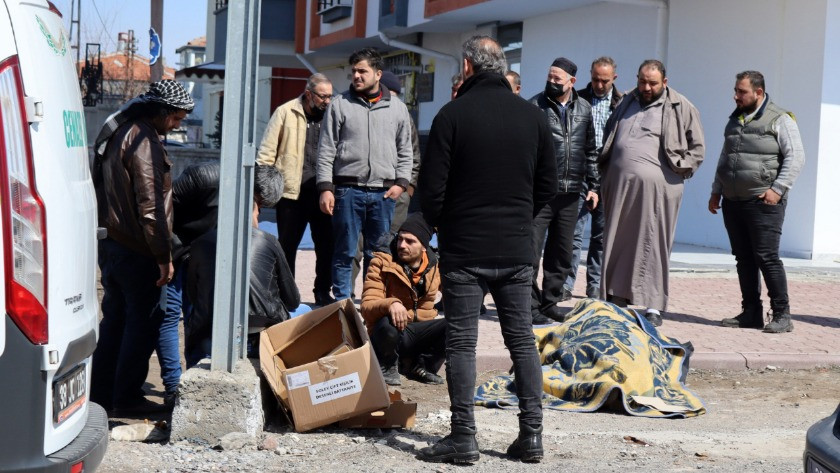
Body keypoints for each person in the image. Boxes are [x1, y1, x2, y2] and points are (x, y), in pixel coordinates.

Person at [418, 35, 557, 464]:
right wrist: (519, 220)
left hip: (465, 246)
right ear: (501, 66)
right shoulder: (532, 116)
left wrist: (448, 224)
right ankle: (531, 436)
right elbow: (548, 186)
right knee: (522, 341)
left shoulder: (451, 115)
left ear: (467, 67)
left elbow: (431, 191)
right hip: (516, 247)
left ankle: (464, 437)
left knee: (461, 344)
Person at [90, 80, 193, 415]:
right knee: (143, 323)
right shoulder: (144, 139)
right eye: (177, 117)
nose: (179, 124)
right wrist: (164, 257)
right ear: (162, 112)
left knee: (115, 322)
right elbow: (151, 209)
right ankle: (127, 398)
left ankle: (101, 395)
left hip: (114, 245)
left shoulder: (121, 130)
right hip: (137, 250)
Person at [598, 59, 705, 327]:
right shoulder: (626, 101)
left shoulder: (681, 106)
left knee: (652, 244)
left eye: (652, 83)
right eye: (642, 81)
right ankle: (618, 297)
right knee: (618, 240)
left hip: (660, 191)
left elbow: (698, 148)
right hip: (620, 187)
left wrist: (680, 169)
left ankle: (653, 305)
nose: (646, 87)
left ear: (664, 82)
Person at [709, 71, 804, 333]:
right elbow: (725, 157)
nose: (736, 96)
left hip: (763, 201)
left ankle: (782, 314)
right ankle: (751, 312)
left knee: (767, 257)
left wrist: (778, 189)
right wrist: (716, 190)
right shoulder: (734, 119)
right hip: (733, 200)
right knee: (743, 258)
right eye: (736, 90)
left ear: (758, 93)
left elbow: (796, 157)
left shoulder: (780, 119)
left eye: (741, 92)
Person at [317, 48, 414, 301]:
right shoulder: (340, 105)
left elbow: (406, 149)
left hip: (384, 193)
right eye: (354, 72)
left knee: (378, 253)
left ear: (378, 74)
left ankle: (372, 302)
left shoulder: (397, 108)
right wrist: (325, 188)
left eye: (363, 71)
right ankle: (342, 304)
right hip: (348, 191)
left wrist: (401, 184)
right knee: (345, 251)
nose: (357, 76)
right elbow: (326, 149)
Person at [184, 165, 304, 367]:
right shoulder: (269, 241)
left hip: (209, 327)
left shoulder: (199, 244)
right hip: (262, 324)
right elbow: (292, 300)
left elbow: (193, 295)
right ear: (254, 208)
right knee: (305, 311)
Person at [529, 57, 598, 324]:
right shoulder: (535, 106)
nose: (552, 82)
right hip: (542, 194)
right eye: (550, 77)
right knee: (531, 252)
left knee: (561, 254)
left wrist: (593, 187)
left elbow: (590, 150)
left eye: (558, 79)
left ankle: (550, 303)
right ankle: (530, 306)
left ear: (572, 81)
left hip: (572, 195)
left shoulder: (584, 109)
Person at [257, 73, 335, 307]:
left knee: (326, 247)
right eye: (323, 96)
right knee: (287, 247)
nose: (327, 101)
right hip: (292, 194)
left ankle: (322, 291)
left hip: (324, 192)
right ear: (309, 94)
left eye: (330, 96)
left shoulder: (332, 115)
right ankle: (287, 295)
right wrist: (261, 193)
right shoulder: (285, 111)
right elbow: (266, 153)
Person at [157, 162, 220, 407]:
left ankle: (193, 379)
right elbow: (162, 209)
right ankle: (174, 386)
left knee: (196, 316)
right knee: (169, 315)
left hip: (200, 258)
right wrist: (166, 254)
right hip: (175, 252)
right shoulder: (204, 176)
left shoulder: (240, 195)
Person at [361, 213, 445, 386]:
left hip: (416, 332)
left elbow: (455, 291)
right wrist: (391, 303)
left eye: (410, 241)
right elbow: (367, 306)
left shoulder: (435, 266)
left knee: (457, 325)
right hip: (388, 333)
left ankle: (422, 367)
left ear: (423, 246)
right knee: (386, 322)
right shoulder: (382, 262)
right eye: (400, 239)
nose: (402, 245)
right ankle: (387, 364)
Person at [566, 57, 623, 300]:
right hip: (580, 174)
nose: (599, 85)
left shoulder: (623, 104)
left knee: (601, 236)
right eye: (595, 79)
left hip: (607, 175)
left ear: (614, 79)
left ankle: (594, 286)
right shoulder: (576, 99)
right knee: (572, 233)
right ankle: (566, 285)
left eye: (605, 81)